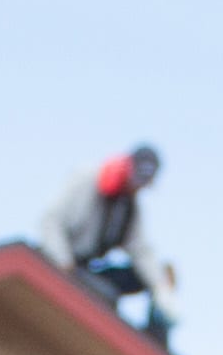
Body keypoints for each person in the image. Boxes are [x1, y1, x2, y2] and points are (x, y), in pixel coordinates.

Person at [39, 141, 174, 338]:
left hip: (88, 269)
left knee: (144, 278)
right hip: (63, 262)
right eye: (138, 179)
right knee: (105, 295)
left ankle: (155, 340)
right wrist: (62, 262)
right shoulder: (88, 179)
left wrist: (161, 288)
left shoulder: (129, 206)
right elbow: (51, 221)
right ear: (128, 167)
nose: (138, 187)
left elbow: (141, 250)